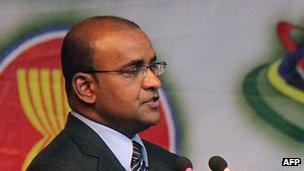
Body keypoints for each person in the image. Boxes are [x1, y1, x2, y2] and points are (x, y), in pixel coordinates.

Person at [27, 16, 191, 171]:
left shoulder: (170, 164)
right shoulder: (58, 167)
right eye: (133, 70)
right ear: (86, 88)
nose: (154, 82)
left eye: (153, 66)